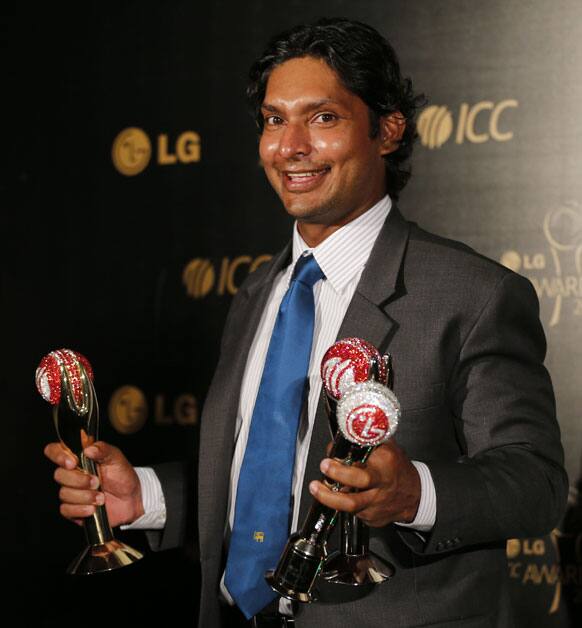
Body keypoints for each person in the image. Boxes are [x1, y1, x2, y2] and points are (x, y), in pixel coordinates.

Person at [45, 17, 568, 628]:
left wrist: (412, 493)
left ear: (388, 130)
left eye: (322, 118)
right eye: (273, 120)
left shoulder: (475, 294)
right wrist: (145, 495)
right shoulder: (259, 291)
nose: (289, 146)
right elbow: (269, 480)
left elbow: (535, 484)